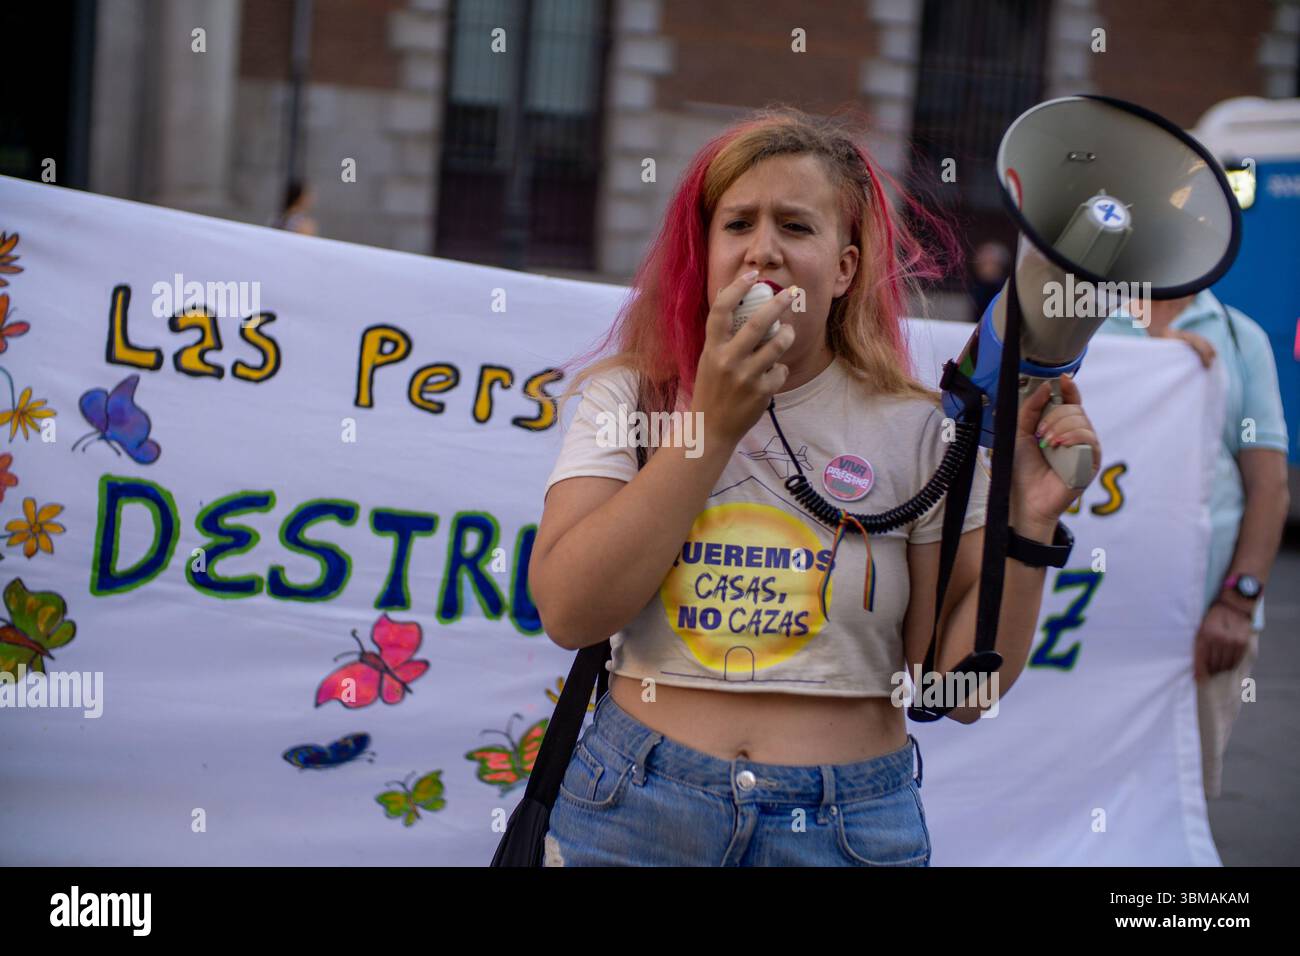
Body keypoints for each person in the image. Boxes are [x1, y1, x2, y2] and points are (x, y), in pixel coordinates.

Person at [530, 108, 1101, 867]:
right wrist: (710, 425)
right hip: (637, 807)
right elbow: (570, 610)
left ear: (845, 268)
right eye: (738, 224)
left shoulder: (917, 428)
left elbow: (960, 691)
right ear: (705, 254)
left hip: (848, 825)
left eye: (796, 227)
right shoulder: (631, 400)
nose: (762, 250)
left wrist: (1027, 525)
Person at [1099, 291, 1290, 801]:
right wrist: (1156, 367)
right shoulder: (1086, 324)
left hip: (1204, 627)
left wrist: (1236, 602)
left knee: (1180, 799)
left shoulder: (1237, 335)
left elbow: (1269, 487)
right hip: (1093, 626)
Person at [968, 240, 1011, 322]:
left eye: (989, 262)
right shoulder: (977, 288)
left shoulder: (1004, 290)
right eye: (982, 263)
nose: (986, 268)